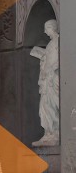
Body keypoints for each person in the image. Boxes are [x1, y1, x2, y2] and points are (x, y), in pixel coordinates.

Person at [31, 19, 60, 147]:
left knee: (53, 106)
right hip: (47, 79)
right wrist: (42, 58)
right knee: (44, 107)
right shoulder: (49, 44)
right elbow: (47, 59)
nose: (45, 32)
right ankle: (48, 133)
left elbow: (60, 60)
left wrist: (51, 69)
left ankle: (55, 133)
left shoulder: (58, 42)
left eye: (46, 29)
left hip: (53, 79)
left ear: (52, 28)